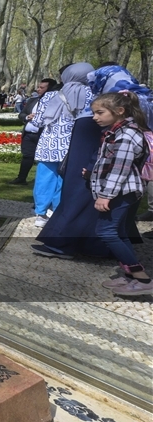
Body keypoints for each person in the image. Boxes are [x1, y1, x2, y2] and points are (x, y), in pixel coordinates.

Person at [36, 64, 145, 258]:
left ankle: (68, 243)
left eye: (99, 113)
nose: (96, 116)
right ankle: (127, 262)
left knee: (79, 195)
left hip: (92, 166)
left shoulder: (107, 111)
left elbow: (115, 162)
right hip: (118, 178)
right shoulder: (135, 102)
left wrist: (92, 167)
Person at [86, 92, 151, 296]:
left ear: (119, 111)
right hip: (122, 190)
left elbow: (120, 169)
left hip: (121, 191)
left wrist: (106, 195)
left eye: (100, 112)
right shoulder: (116, 131)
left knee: (106, 231)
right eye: (94, 113)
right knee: (120, 232)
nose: (95, 117)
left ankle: (142, 278)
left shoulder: (126, 135)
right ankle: (132, 276)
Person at [30, 63, 94, 228]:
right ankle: (58, 211)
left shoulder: (51, 95)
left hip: (49, 145)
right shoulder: (92, 94)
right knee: (65, 180)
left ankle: (41, 213)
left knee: (44, 179)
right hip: (74, 145)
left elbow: (38, 122)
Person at [9, 79, 55, 185]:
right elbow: (21, 114)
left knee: (43, 159)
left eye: (41, 87)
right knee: (27, 156)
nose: (38, 89)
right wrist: (27, 117)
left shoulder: (54, 103)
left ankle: (43, 182)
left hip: (42, 134)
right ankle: (21, 178)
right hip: (29, 134)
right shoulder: (32, 100)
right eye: (38, 87)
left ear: (49, 89)